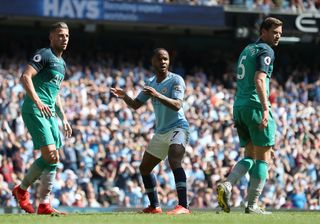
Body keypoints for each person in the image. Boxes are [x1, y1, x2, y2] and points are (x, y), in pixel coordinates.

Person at [111, 48, 191, 215]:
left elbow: (177, 105)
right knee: (145, 168)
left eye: (166, 59)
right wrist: (125, 96)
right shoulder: (151, 83)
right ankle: (155, 206)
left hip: (178, 126)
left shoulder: (176, 80)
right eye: (160, 59)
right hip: (161, 131)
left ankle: (183, 206)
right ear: (153, 62)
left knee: (174, 159)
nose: (163, 62)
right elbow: (136, 105)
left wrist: (157, 95)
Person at [217, 17, 283, 214]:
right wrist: (264, 108)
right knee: (263, 158)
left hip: (239, 106)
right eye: (274, 32)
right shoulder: (266, 50)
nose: (278, 35)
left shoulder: (247, 49)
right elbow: (259, 80)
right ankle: (252, 204)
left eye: (280, 32)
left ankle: (228, 185)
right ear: (263, 31)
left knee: (250, 155)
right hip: (255, 106)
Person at [12, 22, 72, 215]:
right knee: (50, 156)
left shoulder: (62, 64)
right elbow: (25, 76)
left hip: (51, 114)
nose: (64, 39)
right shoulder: (44, 54)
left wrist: (64, 118)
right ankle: (22, 191)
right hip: (35, 110)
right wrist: (37, 100)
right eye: (60, 35)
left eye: (67, 36)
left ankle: (42, 203)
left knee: (54, 158)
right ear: (51, 37)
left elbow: (55, 94)